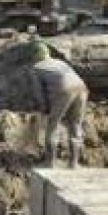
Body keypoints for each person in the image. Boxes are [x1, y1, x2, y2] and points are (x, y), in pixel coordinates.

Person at [27, 39, 88, 168]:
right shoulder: (59, 62)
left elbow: (38, 93)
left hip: (64, 90)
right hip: (81, 88)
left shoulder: (35, 68)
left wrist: (44, 109)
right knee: (76, 125)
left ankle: (50, 163)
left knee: (52, 126)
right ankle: (73, 163)